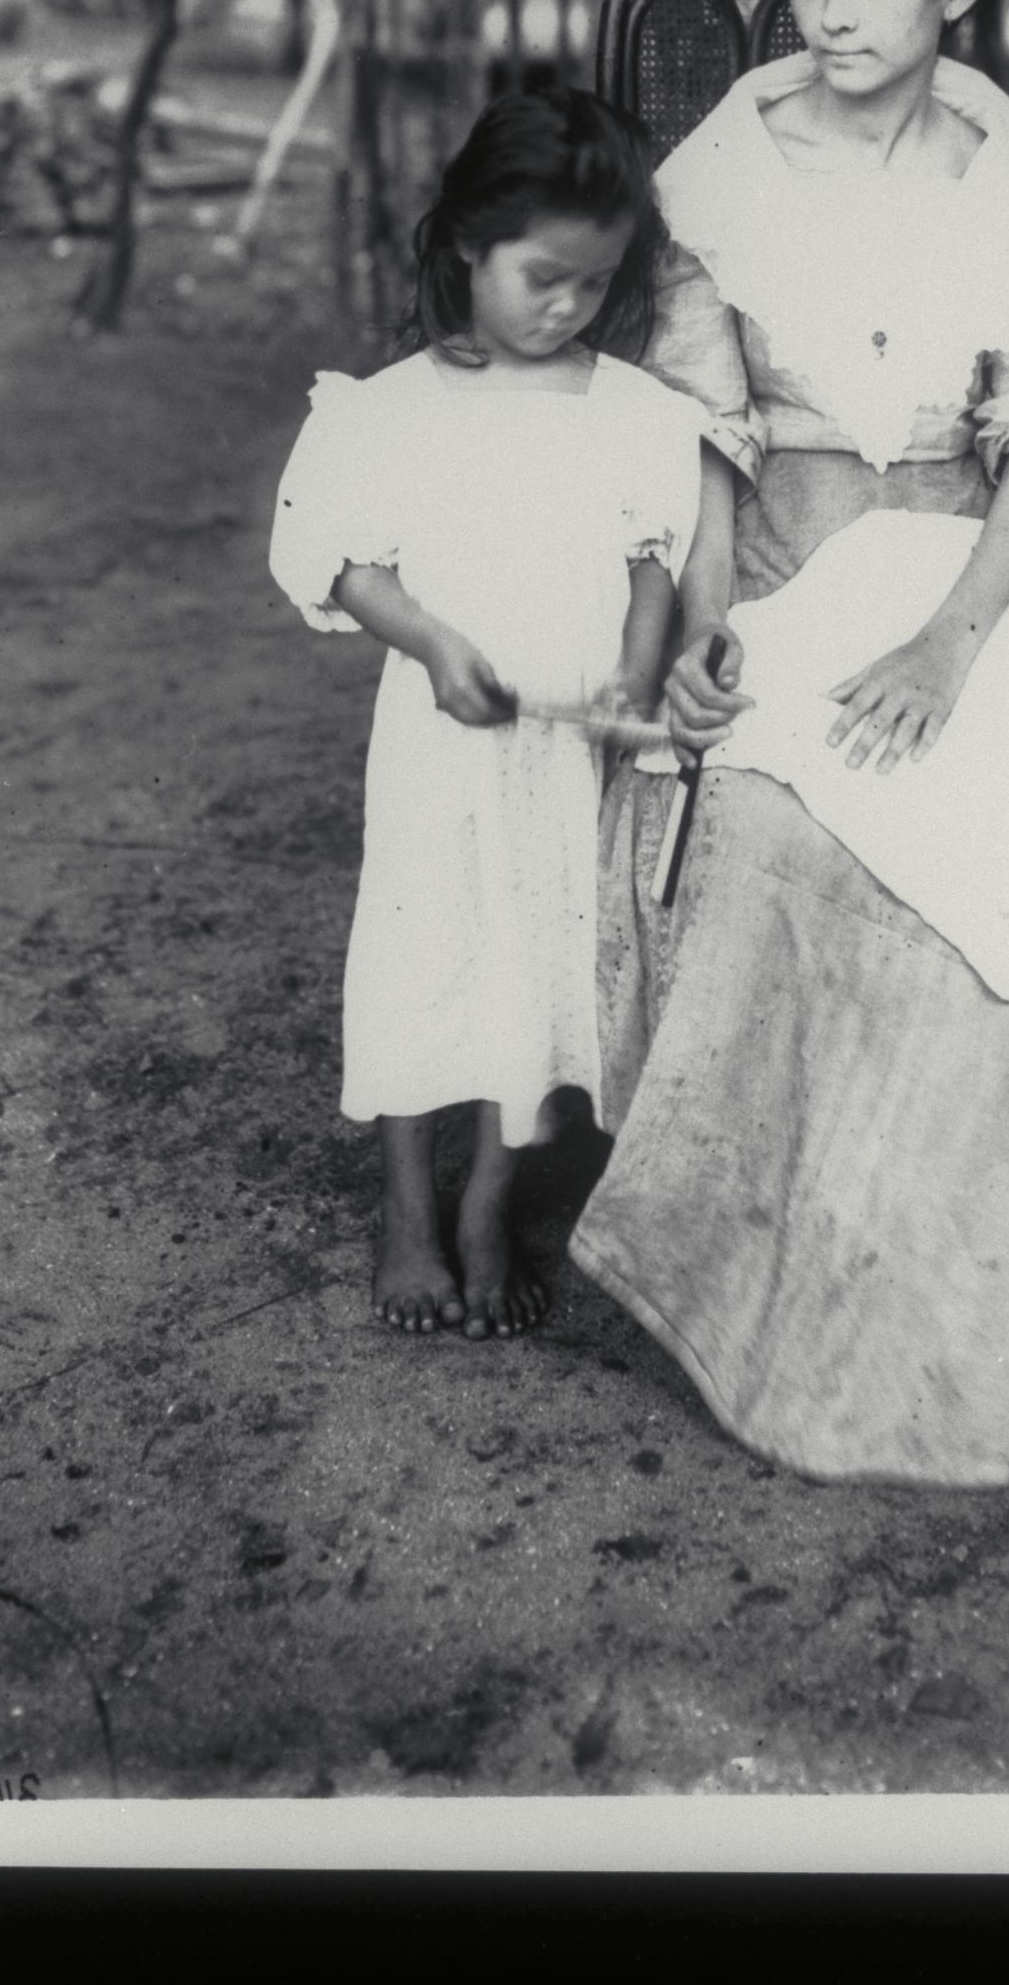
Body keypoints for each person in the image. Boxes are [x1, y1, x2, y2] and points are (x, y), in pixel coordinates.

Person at [569, 0, 1009, 1490]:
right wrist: (702, 628)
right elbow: (702, 438)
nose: (832, 16)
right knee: (779, 830)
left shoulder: (1007, 182)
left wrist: (952, 645)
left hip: (966, 579)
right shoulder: (724, 174)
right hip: (778, 561)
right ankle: (788, 1288)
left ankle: (949, 1297)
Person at [268, 87, 706, 1342]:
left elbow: (651, 565)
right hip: (441, 743)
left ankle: (487, 1206)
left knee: (539, 963)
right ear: (468, 244)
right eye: (541, 278)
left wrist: (630, 680)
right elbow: (343, 559)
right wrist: (431, 640)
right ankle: (406, 1204)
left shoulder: (629, 414)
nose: (565, 308)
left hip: (559, 759)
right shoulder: (389, 409)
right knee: (423, 952)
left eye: (593, 283)